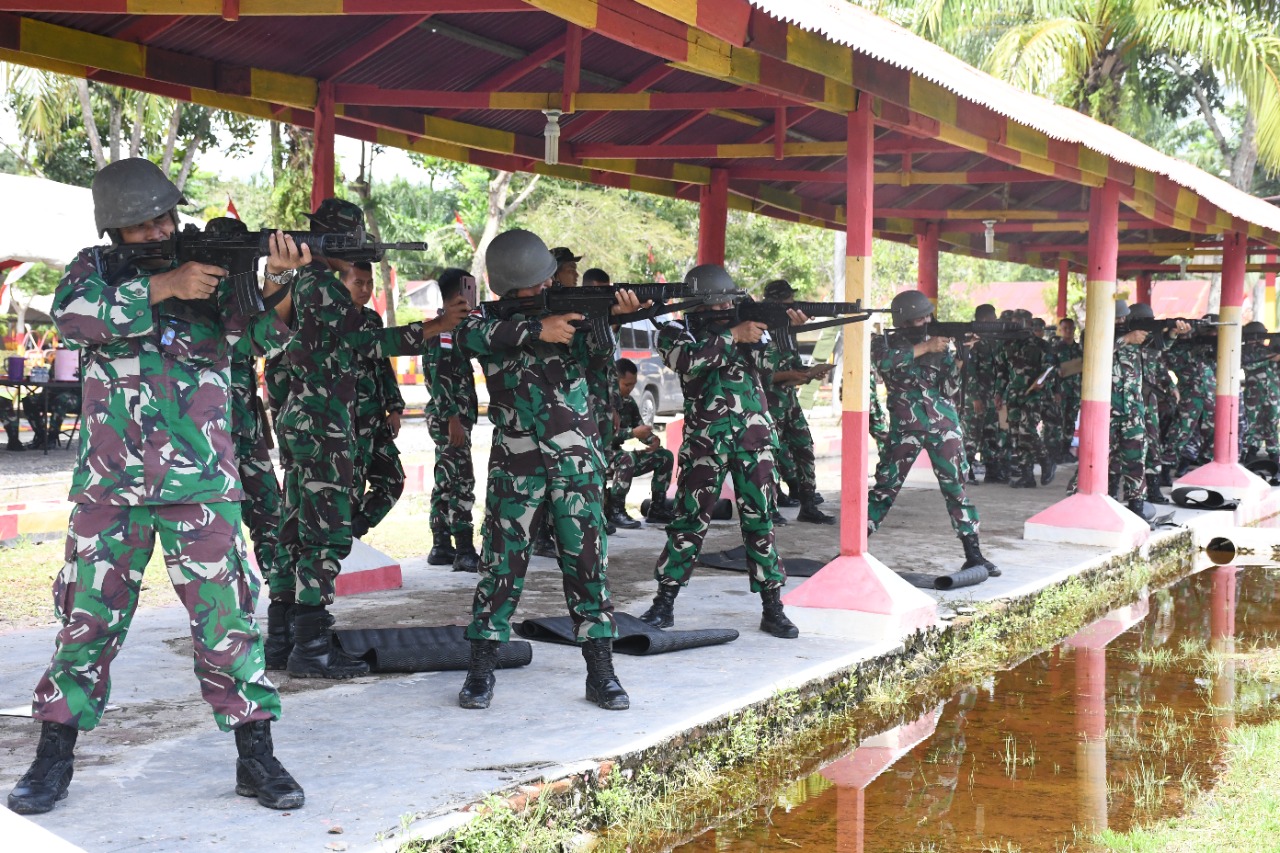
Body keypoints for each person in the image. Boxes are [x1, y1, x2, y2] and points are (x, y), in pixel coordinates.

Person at [8, 157, 304, 815]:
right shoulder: (92, 269)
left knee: (228, 625)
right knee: (86, 624)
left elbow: (257, 337)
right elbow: (75, 318)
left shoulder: (213, 271)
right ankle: (52, 758)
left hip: (200, 485)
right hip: (111, 488)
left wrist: (278, 281)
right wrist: (164, 285)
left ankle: (257, 757)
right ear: (116, 231)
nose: (158, 231)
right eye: (142, 226)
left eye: (165, 218)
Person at [274, 198, 469, 680]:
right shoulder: (320, 285)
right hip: (324, 427)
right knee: (323, 537)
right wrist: (435, 327)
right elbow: (365, 343)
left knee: (296, 530)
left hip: (310, 424)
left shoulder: (308, 284)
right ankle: (312, 648)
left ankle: (283, 639)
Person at [453, 229, 634, 712]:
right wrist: (540, 329)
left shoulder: (573, 314)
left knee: (587, 565)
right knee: (501, 565)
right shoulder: (488, 320)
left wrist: (608, 321)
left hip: (574, 460)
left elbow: (597, 361)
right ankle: (480, 672)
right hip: (518, 462)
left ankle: (602, 673)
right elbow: (469, 337)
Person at [637, 266, 805, 638]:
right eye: (722, 301)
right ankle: (663, 603)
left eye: (732, 300)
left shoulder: (747, 327)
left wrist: (782, 332)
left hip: (754, 441)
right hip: (706, 443)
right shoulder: (675, 331)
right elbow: (687, 361)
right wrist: (734, 334)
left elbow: (769, 365)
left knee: (761, 521)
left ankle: (773, 607)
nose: (729, 305)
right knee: (689, 522)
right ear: (702, 304)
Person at [867, 290, 998, 576]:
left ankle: (974, 555)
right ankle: (852, 549)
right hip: (905, 426)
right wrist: (926, 347)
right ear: (903, 322)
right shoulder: (885, 343)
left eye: (927, 316)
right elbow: (885, 364)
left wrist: (962, 355)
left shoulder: (939, 346)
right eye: (919, 319)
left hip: (943, 426)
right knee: (885, 488)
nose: (926, 320)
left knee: (957, 489)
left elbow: (950, 387)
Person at [758, 279, 834, 524]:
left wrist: (809, 372)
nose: (794, 306)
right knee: (769, 455)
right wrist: (791, 375)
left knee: (804, 448)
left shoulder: (786, 331)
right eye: (789, 302)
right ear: (777, 304)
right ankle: (769, 509)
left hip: (788, 402)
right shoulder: (759, 330)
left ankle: (808, 505)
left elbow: (792, 366)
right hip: (767, 403)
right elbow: (759, 373)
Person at [344, 261, 407, 538]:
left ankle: (356, 530)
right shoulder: (329, 321)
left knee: (393, 479)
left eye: (369, 283)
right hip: (344, 421)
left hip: (373, 419)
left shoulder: (372, 319)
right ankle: (342, 547)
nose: (366, 289)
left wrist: (394, 408)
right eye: (358, 283)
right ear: (341, 284)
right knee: (351, 487)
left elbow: (382, 364)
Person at [423, 268, 480, 572]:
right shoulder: (442, 331)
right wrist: (453, 419)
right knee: (461, 481)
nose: (475, 295)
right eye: (470, 289)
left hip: (450, 417)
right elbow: (439, 375)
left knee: (445, 479)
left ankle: (441, 545)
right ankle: (465, 548)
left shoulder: (454, 328)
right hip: (450, 418)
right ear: (459, 293)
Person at [608, 358, 676, 527]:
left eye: (633, 385)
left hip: (620, 456)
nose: (630, 389)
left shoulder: (628, 402)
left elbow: (640, 428)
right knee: (627, 458)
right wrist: (631, 433)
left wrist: (652, 439)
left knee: (664, 456)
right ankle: (615, 511)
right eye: (626, 385)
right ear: (615, 381)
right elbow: (603, 437)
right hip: (601, 457)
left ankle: (657, 508)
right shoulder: (602, 402)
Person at [997, 309, 1055, 489]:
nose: (1016, 326)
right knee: (1015, 436)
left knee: (1027, 431)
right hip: (1014, 395)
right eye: (1014, 322)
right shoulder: (1008, 345)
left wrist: (1042, 382)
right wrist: (998, 393)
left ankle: (1046, 460)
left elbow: (1050, 370)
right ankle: (1027, 475)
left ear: (1029, 323)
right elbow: (1003, 372)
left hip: (1033, 395)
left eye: (1020, 322)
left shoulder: (1041, 345)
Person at [1052, 317, 1084, 462]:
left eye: (1071, 328)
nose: (1069, 331)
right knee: (1059, 421)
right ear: (1060, 330)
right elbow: (1049, 371)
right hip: (1061, 391)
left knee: (1071, 420)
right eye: (1065, 328)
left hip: (1076, 390)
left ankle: (1066, 449)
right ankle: (1056, 451)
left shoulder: (1079, 349)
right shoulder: (1056, 349)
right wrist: (1055, 390)